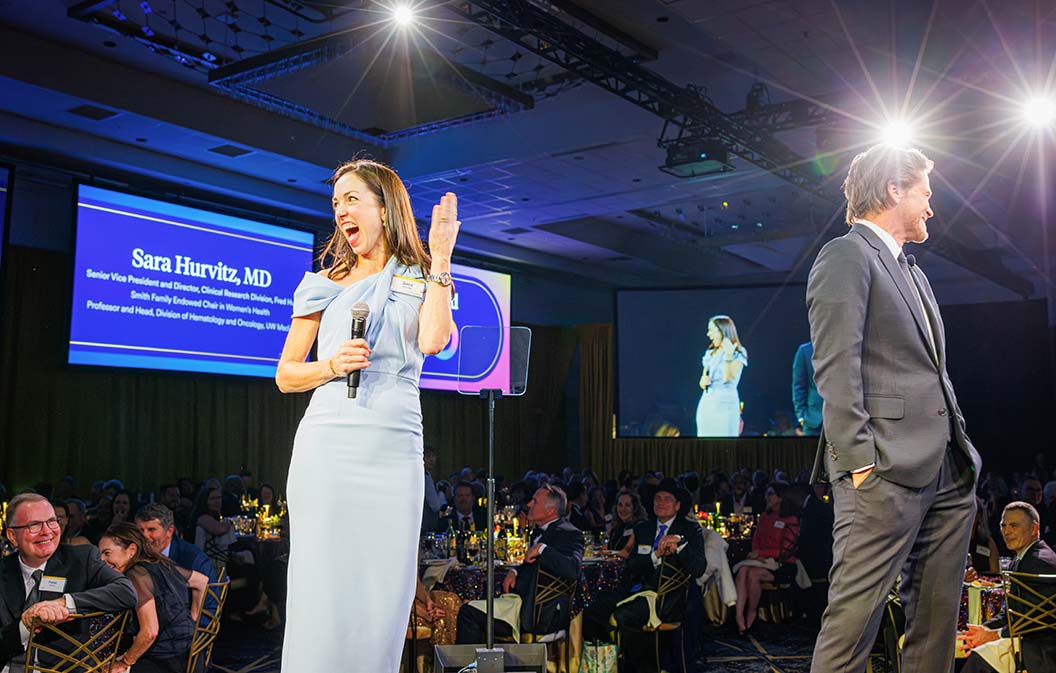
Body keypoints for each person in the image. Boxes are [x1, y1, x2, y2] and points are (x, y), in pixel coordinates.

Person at [275, 158, 459, 673]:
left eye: (351, 199)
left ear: (385, 206)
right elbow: (286, 374)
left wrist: (440, 255)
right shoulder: (323, 282)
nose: (341, 212)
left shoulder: (423, 275)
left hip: (395, 445)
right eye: (335, 204)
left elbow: (433, 341)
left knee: (384, 587)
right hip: (328, 442)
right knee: (323, 584)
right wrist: (331, 365)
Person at [807, 144, 981, 673]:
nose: (931, 207)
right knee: (851, 629)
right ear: (893, 190)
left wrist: (960, 447)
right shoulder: (846, 254)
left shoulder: (915, 272)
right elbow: (836, 368)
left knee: (934, 632)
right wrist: (860, 463)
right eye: (926, 193)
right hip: (881, 471)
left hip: (946, 470)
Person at [0, 494, 137, 666]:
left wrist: (64, 603)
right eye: (34, 525)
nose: (47, 531)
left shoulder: (81, 559)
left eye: (52, 521)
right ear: (12, 536)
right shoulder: (4, 571)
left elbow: (126, 591)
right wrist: (25, 626)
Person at [456, 486, 583, 643]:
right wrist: (516, 571)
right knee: (473, 606)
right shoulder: (540, 531)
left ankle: (469, 667)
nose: (529, 504)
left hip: (538, 614)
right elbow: (533, 563)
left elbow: (573, 570)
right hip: (520, 603)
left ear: (550, 511)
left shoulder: (568, 533)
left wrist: (543, 549)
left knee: (468, 613)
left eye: (535, 501)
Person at [612, 478, 707, 673]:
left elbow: (699, 568)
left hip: (677, 599)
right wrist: (655, 555)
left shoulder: (690, 529)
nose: (661, 502)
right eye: (657, 498)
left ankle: (647, 667)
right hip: (644, 592)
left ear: (678, 505)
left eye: (667, 499)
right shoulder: (643, 529)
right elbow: (632, 567)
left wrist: (680, 545)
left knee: (624, 614)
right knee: (600, 609)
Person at [959, 502, 1056, 672]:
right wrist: (986, 628)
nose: (1006, 531)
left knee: (979, 658)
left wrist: (993, 635)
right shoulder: (1023, 558)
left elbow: (1034, 621)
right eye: (1003, 525)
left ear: (1034, 529)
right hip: (1025, 640)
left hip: (1040, 650)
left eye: (1014, 525)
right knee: (972, 648)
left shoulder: (1039, 562)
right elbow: (1012, 612)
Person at [98, 523, 206, 673]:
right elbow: (202, 582)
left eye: (107, 553)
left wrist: (124, 662)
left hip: (165, 662)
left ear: (131, 550)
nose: (102, 560)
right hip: (192, 654)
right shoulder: (161, 564)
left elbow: (150, 631)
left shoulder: (135, 574)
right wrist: (193, 620)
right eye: (100, 555)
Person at [732, 484, 801, 635]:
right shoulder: (765, 516)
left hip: (784, 564)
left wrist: (762, 553)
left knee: (752, 574)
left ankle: (751, 612)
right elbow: (756, 539)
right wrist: (758, 553)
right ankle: (739, 617)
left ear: (780, 497)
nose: (767, 497)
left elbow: (786, 551)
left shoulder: (791, 519)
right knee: (743, 570)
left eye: (770, 494)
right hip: (762, 560)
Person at [695, 315, 748, 437]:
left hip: (726, 405)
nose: (709, 334)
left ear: (723, 330)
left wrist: (729, 355)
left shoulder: (738, 352)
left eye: (712, 330)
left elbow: (728, 378)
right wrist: (703, 382)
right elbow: (702, 382)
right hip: (707, 404)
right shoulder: (710, 353)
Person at [134, 504, 214, 580]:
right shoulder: (131, 553)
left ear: (169, 531)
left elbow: (210, 593)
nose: (144, 535)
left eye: (151, 529)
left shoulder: (195, 560)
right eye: (140, 530)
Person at [791, 341, 823, 435]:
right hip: (813, 420)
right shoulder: (805, 350)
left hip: (839, 419)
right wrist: (801, 416)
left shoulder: (840, 348)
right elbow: (798, 385)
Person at [607, 491, 647, 558]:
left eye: (627, 505)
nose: (623, 509)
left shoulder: (640, 526)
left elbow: (628, 552)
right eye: (620, 505)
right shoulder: (616, 526)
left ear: (634, 508)